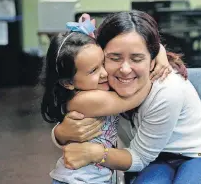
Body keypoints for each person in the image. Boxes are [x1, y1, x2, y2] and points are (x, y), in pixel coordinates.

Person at [52, 11, 201, 184]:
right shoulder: (101, 81)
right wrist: (60, 133)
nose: (125, 69)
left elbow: (138, 157)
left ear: (152, 59)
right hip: (154, 160)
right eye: (114, 58)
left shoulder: (167, 89)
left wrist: (96, 153)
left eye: (137, 59)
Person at [41, 18, 169, 184]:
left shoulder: (93, 89)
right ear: (68, 83)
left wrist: (157, 53)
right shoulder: (86, 100)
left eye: (103, 63)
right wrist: (153, 67)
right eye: (93, 70)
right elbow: (133, 99)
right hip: (78, 180)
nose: (104, 73)